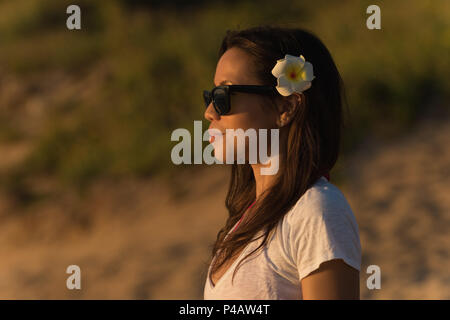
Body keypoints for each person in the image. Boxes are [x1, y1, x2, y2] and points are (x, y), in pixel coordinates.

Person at [202, 25, 361, 300]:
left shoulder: (316, 210)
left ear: (286, 107)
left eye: (223, 96)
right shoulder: (247, 218)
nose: (209, 112)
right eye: (211, 96)